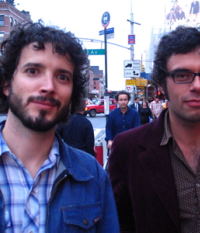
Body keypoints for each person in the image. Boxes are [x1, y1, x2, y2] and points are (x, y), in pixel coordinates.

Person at [108, 26, 200, 232]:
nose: (198, 85)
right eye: (182, 75)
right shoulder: (127, 149)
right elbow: (118, 223)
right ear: (162, 85)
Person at [0, 21, 119, 232]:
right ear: (7, 84)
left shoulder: (93, 175)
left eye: (62, 77)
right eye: (33, 71)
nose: (48, 86)